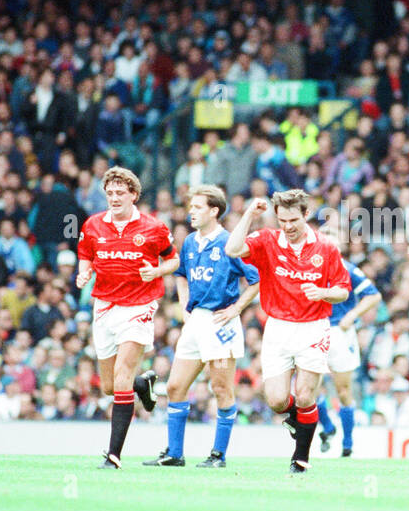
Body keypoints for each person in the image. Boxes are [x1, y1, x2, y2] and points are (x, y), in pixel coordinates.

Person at [226, 189, 350, 474]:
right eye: (282, 220)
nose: (288, 226)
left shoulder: (326, 248)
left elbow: (342, 291)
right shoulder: (268, 240)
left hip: (313, 328)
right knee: (276, 400)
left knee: (306, 395)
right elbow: (232, 249)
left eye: (294, 219)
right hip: (278, 328)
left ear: (306, 215)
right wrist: (249, 215)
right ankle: (301, 419)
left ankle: (301, 458)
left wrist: (323, 292)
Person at [137, 185, 259, 469]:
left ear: (214, 210)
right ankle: (175, 454)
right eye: (191, 207)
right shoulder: (190, 241)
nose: (191, 212)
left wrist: (236, 309)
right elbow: (180, 276)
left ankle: (218, 455)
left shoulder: (231, 243)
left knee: (221, 389)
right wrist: (184, 308)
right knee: (176, 386)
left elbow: (257, 280)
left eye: (197, 207)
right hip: (195, 321)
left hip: (220, 321)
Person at [75, 167, 179, 469]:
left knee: (121, 375)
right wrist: (84, 271)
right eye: (110, 193)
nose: (114, 198)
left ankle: (113, 455)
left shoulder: (153, 227)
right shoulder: (93, 225)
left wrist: (158, 271)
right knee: (109, 386)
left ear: (133, 194)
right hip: (105, 306)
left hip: (139, 306)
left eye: (121, 192)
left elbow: (173, 259)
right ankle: (141, 385)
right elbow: (86, 253)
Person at [315, 223, 383, 457]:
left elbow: (373, 295)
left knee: (343, 389)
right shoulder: (309, 267)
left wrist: (352, 315)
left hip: (339, 333)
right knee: (307, 389)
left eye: (334, 237)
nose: (330, 241)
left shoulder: (348, 268)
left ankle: (348, 443)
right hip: (313, 330)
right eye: (326, 236)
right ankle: (328, 427)